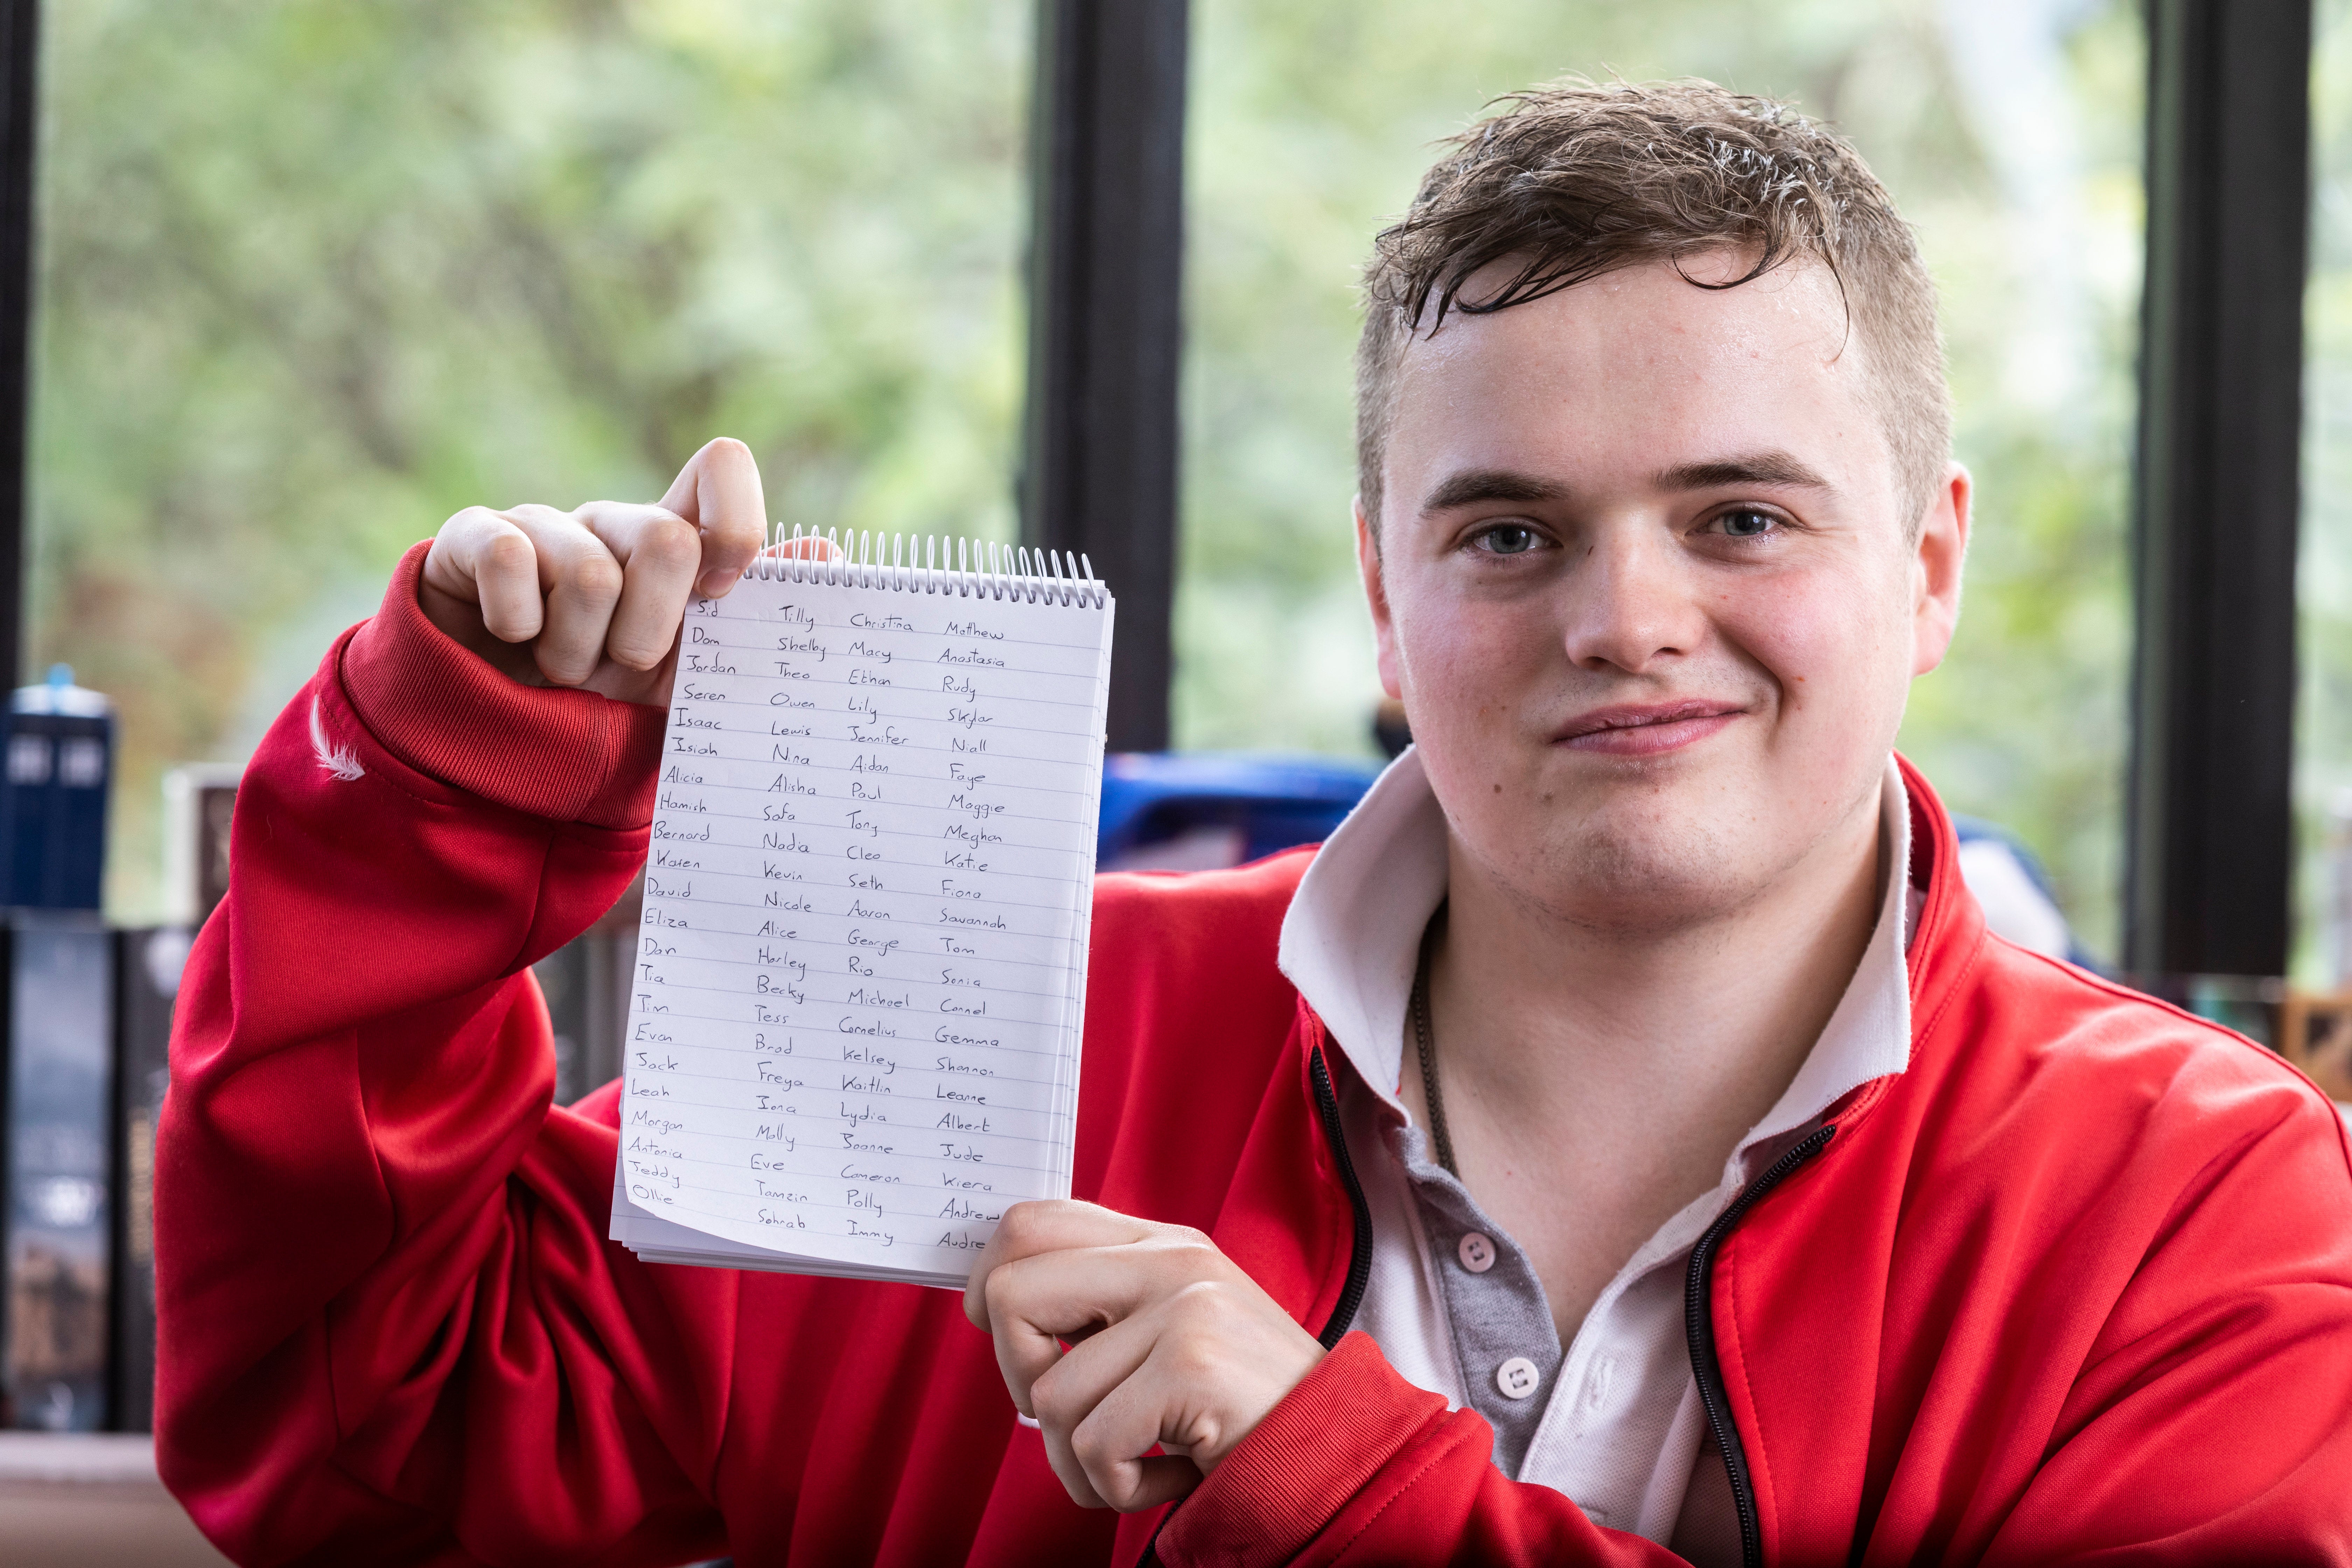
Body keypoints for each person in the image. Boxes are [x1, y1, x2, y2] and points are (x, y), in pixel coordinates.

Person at [154, 79, 2352, 1567]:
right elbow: (353, 1450)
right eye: (1506, 533)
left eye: (1742, 514)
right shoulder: (988, 1032)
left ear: (1937, 566)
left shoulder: (2213, 1207)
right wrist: (440, 792)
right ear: (1390, 602)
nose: (1625, 619)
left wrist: (1314, 1479)